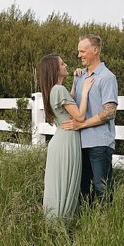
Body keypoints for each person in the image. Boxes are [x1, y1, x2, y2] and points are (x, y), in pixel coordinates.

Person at [61, 34, 119, 203]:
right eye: (79, 51)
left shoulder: (107, 77)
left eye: (82, 51)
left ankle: (107, 226)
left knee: (103, 189)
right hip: (79, 143)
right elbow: (72, 103)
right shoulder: (80, 76)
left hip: (99, 143)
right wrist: (74, 80)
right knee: (81, 188)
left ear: (95, 50)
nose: (79, 55)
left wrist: (82, 124)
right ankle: (86, 226)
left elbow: (109, 112)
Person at [38, 54, 94, 221]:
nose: (66, 65)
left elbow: (68, 102)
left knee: (60, 184)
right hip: (67, 141)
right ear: (55, 69)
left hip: (61, 140)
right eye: (62, 64)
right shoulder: (59, 90)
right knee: (67, 183)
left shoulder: (54, 90)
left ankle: (55, 222)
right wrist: (84, 92)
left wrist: (77, 82)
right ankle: (62, 222)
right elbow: (80, 116)